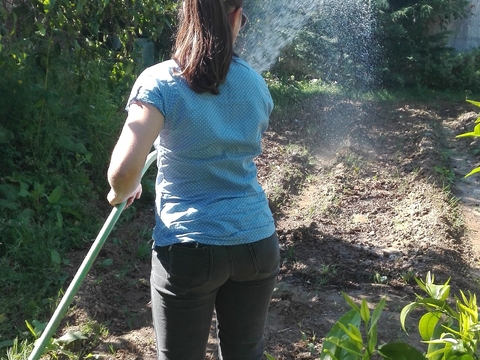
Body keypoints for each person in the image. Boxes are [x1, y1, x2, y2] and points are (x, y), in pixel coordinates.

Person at [106, 0, 280, 359]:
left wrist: (120, 191)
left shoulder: (159, 81)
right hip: (257, 243)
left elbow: (123, 173)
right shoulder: (255, 83)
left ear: (186, 17)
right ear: (235, 17)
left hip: (188, 248)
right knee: (246, 353)